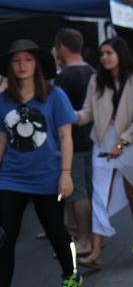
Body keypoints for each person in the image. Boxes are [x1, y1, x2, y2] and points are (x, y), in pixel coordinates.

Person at [0, 39, 80, 286]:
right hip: (11, 177)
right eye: (16, 60)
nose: (22, 65)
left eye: (27, 59)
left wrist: (66, 174)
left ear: (36, 64)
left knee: (56, 232)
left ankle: (71, 275)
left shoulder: (54, 95)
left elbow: (66, 137)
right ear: (10, 66)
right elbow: (1, 141)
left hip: (48, 176)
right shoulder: (3, 100)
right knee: (5, 237)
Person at [76, 37, 133, 267]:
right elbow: (87, 112)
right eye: (101, 53)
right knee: (99, 197)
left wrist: (122, 142)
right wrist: (71, 116)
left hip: (131, 144)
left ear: (119, 54)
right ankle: (96, 252)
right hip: (103, 143)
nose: (104, 57)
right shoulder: (96, 80)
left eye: (108, 53)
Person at [54, 28, 96, 256]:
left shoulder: (63, 78)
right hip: (93, 142)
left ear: (61, 47)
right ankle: (91, 237)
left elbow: (60, 115)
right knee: (89, 192)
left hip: (73, 144)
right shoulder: (93, 71)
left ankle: (84, 240)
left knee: (79, 193)